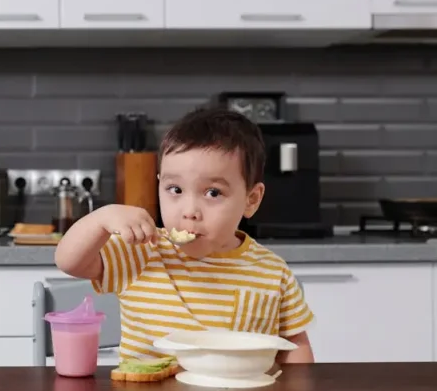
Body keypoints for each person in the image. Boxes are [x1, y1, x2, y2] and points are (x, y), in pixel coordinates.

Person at [54, 106, 315, 364]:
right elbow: (69, 261)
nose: (189, 212)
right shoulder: (141, 252)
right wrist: (101, 219)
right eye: (175, 189)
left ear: (251, 199)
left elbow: (295, 346)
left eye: (213, 193)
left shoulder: (272, 272)